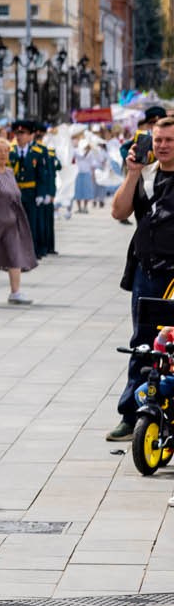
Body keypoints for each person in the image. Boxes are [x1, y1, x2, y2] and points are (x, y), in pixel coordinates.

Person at [112, 119, 174, 442]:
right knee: (143, 344)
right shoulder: (145, 177)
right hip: (146, 272)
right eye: (158, 140)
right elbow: (119, 212)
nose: (162, 146)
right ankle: (132, 412)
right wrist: (132, 172)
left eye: (169, 140)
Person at [0, 134, 39, 305]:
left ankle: (15, 292)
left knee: (15, 255)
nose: (3, 155)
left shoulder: (10, 172)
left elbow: (14, 195)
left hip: (11, 222)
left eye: (6, 151)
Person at [14, 122, 60, 258]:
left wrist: (42, 193)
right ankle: (18, 250)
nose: (19, 137)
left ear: (29, 136)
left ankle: (32, 251)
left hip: (31, 192)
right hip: (16, 192)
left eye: (22, 134)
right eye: (17, 134)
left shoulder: (37, 152)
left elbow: (43, 174)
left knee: (32, 223)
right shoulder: (11, 151)